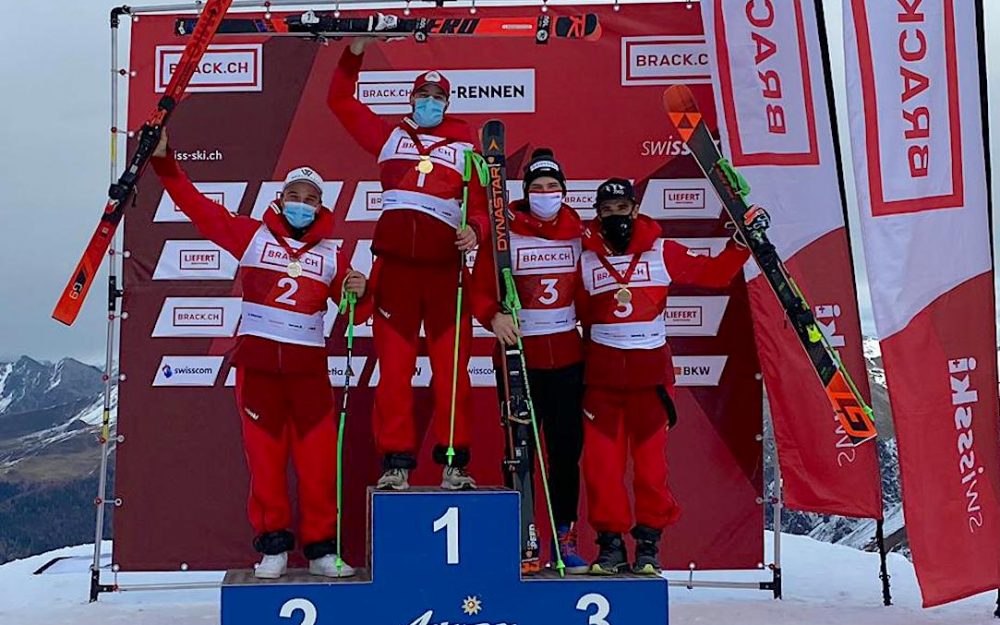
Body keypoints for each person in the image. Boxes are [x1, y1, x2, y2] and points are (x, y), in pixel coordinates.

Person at [151, 129, 367, 579]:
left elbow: (357, 310)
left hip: (308, 375)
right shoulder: (251, 235)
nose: (302, 203)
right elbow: (198, 209)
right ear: (280, 198)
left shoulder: (333, 253)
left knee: (318, 467)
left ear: (321, 207)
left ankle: (322, 549)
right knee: (266, 466)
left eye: (311, 198)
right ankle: (273, 547)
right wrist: (165, 162)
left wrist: (359, 290)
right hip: (259, 371)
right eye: (294, 195)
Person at [578, 178, 767, 575]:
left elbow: (714, 274)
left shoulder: (662, 251)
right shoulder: (586, 257)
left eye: (622, 209)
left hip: (650, 381)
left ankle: (648, 545)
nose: (616, 217)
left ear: (635, 209)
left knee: (651, 468)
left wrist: (742, 242)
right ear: (598, 214)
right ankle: (610, 546)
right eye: (608, 211)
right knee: (601, 468)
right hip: (602, 381)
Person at [328, 37, 489, 491]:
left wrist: (474, 229)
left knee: (453, 373)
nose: (430, 104)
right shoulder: (388, 137)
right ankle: (396, 463)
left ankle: (454, 462)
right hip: (395, 270)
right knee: (394, 372)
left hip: (444, 274)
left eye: (438, 98)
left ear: (448, 103)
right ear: (411, 99)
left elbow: (481, 207)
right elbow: (339, 101)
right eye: (424, 96)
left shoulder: (467, 149)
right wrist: (354, 51)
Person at [469, 148, 588, 574]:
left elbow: (595, 290)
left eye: (552, 187)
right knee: (519, 451)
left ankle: (564, 536)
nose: (545, 194)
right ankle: (522, 538)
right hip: (519, 357)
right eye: (537, 188)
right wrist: (492, 315)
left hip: (568, 359)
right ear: (525, 193)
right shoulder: (506, 234)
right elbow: (478, 286)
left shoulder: (580, 234)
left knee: (565, 451)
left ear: (564, 192)